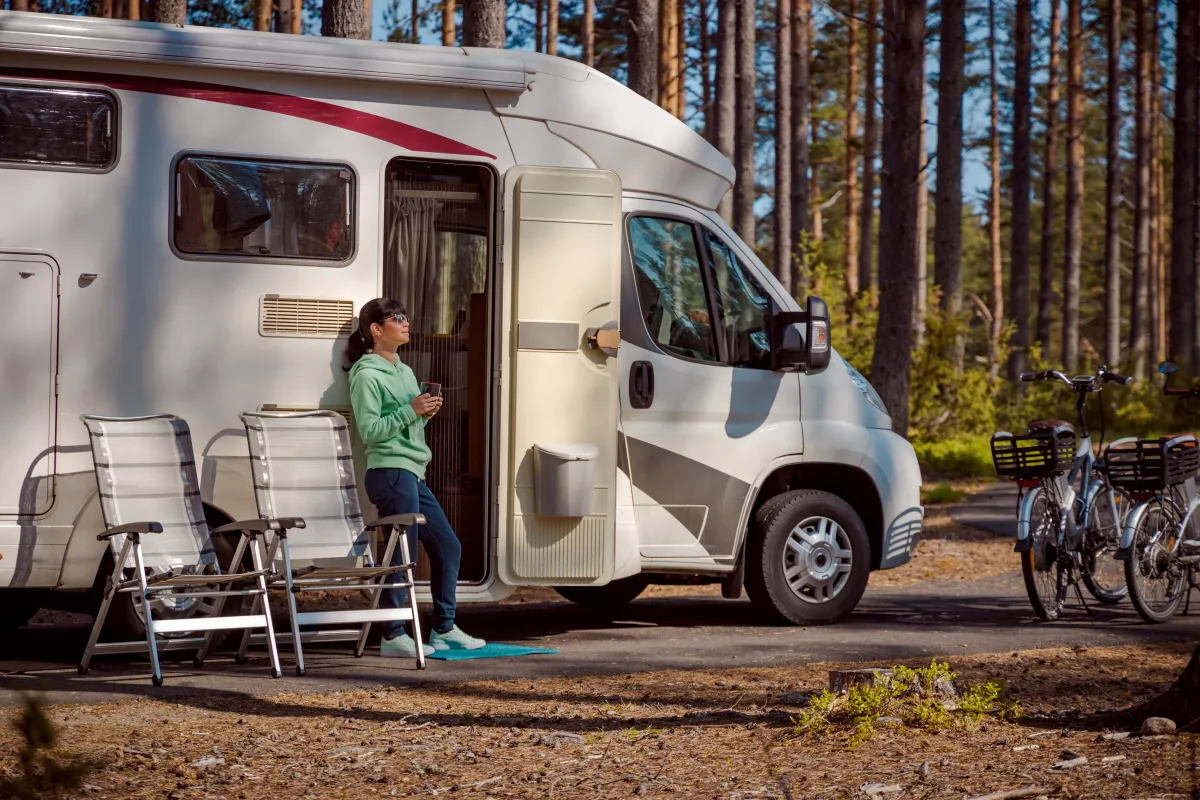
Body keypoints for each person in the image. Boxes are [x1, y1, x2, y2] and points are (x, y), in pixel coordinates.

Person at [345, 297, 486, 657]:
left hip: (413, 472)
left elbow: (405, 423)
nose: (406, 323)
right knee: (402, 553)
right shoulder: (366, 374)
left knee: (448, 546)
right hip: (390, 472)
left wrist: (424, 412)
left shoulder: (404, 371)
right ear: (377, 330)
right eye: (397, 318)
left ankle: (444, 629)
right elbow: (370, 431)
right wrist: (411, 410)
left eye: (406, 316)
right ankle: (393, 633)